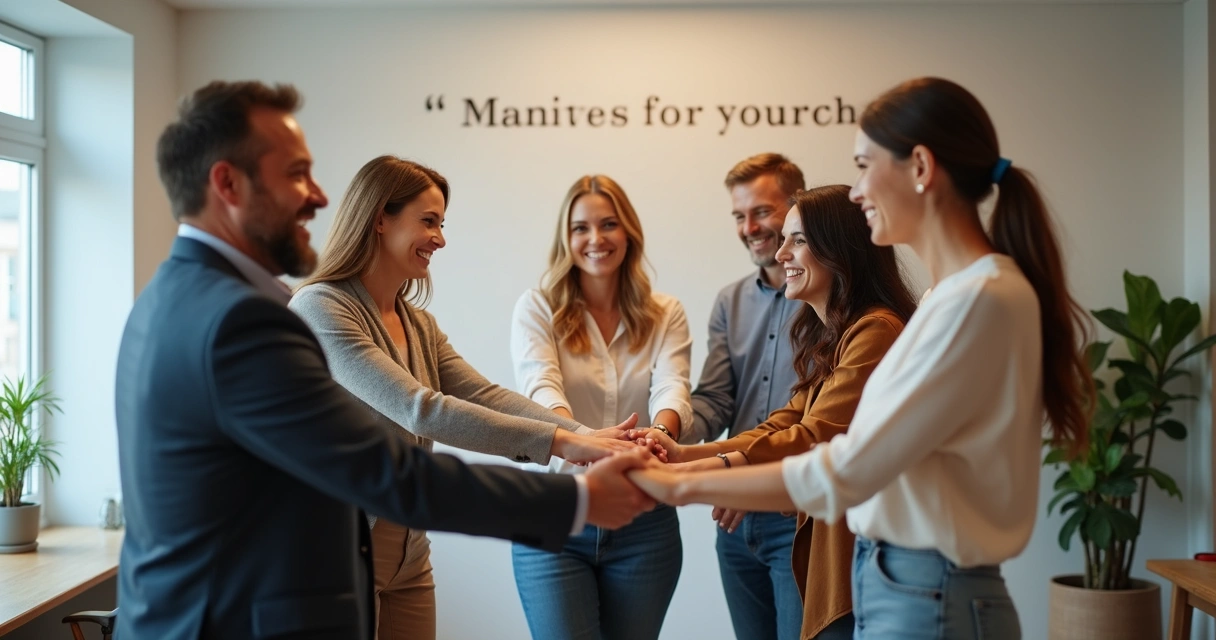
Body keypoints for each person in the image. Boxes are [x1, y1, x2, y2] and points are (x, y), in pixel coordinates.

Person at [114, 80, 656, 640]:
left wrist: (585, 437)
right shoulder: (259, 316)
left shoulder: (182, 296)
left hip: (359, 563)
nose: (319, 196)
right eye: (296, 173)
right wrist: (575, 493)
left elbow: (482, 395)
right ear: (226, 182)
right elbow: (399, 447)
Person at [627, 77, 1092, 640]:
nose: (855, 192)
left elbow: (845, 466)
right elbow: (802, 428)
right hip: (907, 586)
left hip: (930, 593)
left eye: (864, 166)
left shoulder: (977, 300)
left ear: (920, 167)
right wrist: (686, 463)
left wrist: (680, 484)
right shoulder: (952, 299)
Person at [288, 155, 650, 640]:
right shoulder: (321, 307)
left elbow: (483, 394)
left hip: (409, 549)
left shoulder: (418, 322)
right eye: (429, 221)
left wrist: (586, 435)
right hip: (339, 547)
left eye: (441, 223)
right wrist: (565, 444)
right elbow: (421, 409)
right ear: (379, 218)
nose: (440, 237)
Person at [635, 185, 916, 639]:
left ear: (840, 247)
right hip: (817, 539)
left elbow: (812, 437)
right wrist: (681, 454)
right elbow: (784, 424)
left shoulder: (876, 332)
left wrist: (690, 478)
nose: (781, 252)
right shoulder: (834, 334)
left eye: (798, 239)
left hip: (847, 556)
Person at [509, 174, 692, 640]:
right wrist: (587, 442)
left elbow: (672, 387)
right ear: (565, 238)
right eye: (580, 228)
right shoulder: (537, 307)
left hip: (644, 523)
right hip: (555, 517)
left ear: (628, 231)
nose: (595, 239)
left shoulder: (665, 311)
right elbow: (540, 391)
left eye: (608, 224)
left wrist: (662, 434)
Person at [680, 152, 806, 640]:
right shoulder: (729, 302)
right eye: (739, 215)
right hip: (735, 523)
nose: (749, 227)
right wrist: (665, 429)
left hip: (799, 516)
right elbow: (714, 402)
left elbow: (823, 420)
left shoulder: (831, 299)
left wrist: (742, 469)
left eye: (761, 211)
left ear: (795, 209)